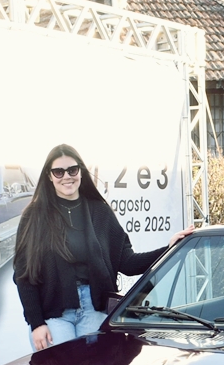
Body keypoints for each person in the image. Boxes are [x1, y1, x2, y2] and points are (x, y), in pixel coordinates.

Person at [14, 144, 192, 351]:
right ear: (49, 175)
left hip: (94, 309)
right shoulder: (34, 216)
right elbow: (24, 275)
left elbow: (127, 262)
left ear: (81, 171)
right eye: (58, 172)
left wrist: (168, 248)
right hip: (54, 315)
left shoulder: (100, 211)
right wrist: (36, 323)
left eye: (72, 170)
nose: (66, 177)